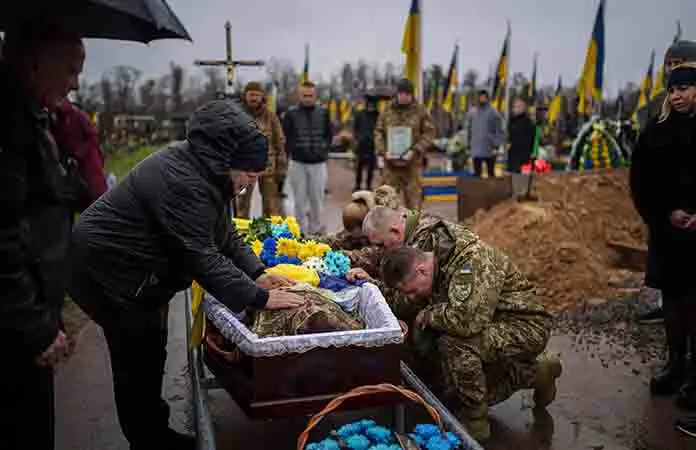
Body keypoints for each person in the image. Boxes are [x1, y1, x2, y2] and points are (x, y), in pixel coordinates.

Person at [68, 100, 307, 450]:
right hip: (109, 270)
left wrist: (257, 273)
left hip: (140, 272)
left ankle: (154, 433)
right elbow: (201, 257)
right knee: (137, 357)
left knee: (151, 349)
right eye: (250, 173)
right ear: (226, 161)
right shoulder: (183, 182)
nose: (252, 181)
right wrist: (259, 298)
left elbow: (224, 234)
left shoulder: (209, 172)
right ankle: (148, 441)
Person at [347, 220, 557, 442]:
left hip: (524, 325)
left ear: (421, 270)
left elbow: (466, 322)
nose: (412, 296)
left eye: (412, 291)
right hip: (488, 321)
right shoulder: (428, 260)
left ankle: (476, 421)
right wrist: (372, 285)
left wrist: (424, 316)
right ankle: (537, 372)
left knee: (456, 345)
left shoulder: (472, 262)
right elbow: (406, 301)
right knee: (445, 386)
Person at [0, 22, 85, 450]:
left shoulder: (33, 118)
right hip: (15, 330)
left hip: (30, 313)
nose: (75, 84)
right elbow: (3, 238)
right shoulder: (9, 126)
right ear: (35, 64)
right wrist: (35, 327)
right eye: (70, 70)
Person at [630, 64, 696, 435]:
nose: (677, 95)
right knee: (672, 297)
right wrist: (666, 211)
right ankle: (675, 364)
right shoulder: (656, 131)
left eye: (684, 88)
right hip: (668, 231)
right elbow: (641, 179)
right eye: (672, 90)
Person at [636, 40, 696, 325]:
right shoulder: (658, 109)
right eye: (670, 64)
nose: (673, 69)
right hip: (668, 214)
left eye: (680, 63)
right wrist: (663, 209)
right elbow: (646, 169)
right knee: (671, 279)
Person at [375, 78, 436, 210]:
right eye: (401, 94)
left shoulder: (420, 111)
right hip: (391, 167)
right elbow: (378, 132)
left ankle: (412, 224)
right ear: (397, 94)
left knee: (414, 207)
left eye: (407, 94)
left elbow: (429, 133)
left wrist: (416, 150)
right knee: (386, 205)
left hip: (412, 165)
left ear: (412, 95)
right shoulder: (387, 111)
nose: (404, 97)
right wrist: (383, 151)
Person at [283, 81, 334, 234]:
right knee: (299, 200)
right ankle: (300, 231)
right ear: (299, 96)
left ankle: (315, 229)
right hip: (298, 162)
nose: (307, 98)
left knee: (317, 199)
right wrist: (293, 150)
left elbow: (329, 134)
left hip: (318, 163)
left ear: (315, 96)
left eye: (310, 95)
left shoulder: (323, 113)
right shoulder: (291, 114)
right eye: (304, 95)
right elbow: (286, 135)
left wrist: (324, 150)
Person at [236, 81, 286, 218]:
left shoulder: (270, 116)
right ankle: (241, 230)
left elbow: (279, 142)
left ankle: (268, 230)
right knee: (241, 205)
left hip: (267, 167)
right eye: (251, 95)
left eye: (257, 95)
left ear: (262, 97)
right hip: (244, 168)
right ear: (245, 96)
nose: (254, 98)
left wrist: (281, 166)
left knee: (271, 205)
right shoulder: (237, 115)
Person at [53, 99, 108, 210]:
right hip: (71, 166)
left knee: (96, 194)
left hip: (89, 163)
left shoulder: (79, 115)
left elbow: (93, 137)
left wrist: (78, 154)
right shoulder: (57, 120)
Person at [466, 90, 505, 178]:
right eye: (480, 97)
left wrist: (496, 145)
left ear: (487, 98)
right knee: (477, 173)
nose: (482, 99)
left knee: (491, 173)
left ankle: (492, 187)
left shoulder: (493, 112)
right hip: (476, 147)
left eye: (484, 97)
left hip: (490, 148)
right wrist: (468, 145)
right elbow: (468, 129)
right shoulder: (472, 112)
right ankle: (477, 187)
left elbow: (499, 129)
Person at [352, 94, 380, 191]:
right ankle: (357, 185)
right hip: (361, 144)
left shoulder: (378, 115)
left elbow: (380, 129)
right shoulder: (360, 114)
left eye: (373, 104)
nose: (371, 105)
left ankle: (368, 185)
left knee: (371, 167)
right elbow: (355, 127)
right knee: (359, 166)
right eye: (369, 103)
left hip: (373, 144)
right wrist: (357, 138)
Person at [507, 97, 536, 174]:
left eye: (520, 106)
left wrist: (532, 155)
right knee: (512, 178)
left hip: (525, 158)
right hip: (513, 158)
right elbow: (510, 138)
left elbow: (533, 140)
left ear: (524, 108)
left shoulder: (529, 123)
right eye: (515, 106)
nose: (517, 109)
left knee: (523, 178)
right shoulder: (511, 121)